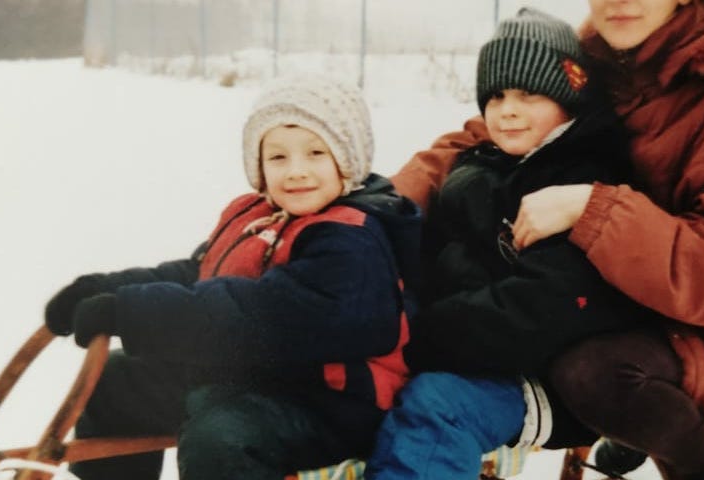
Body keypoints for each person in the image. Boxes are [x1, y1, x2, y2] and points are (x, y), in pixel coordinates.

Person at [390, 1, 704, 479]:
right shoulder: (599, 58)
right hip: (624, 282)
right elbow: (477, 140)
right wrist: (377, 209)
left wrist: (594, 210)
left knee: (589, 374)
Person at [43, 76, 422, 480]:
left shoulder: (352, 239)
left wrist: (133, 312)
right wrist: (106, 290)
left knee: (222, 436)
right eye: (278, 158)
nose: (296, 172)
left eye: (315, 153)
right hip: (256, 374)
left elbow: (263, 316)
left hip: (333, 402)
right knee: (114, 381)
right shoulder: (258, 213)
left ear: (349, 159)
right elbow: (202, 274)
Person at [365, 8, 653, 480]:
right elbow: (428, 254)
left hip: (545, 378)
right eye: (496, 95)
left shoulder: (581, 180)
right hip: (463, 350)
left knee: (436, 408)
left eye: (528, 93)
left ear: (570, 97)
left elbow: (544, 307)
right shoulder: (483, 166)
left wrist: (421, 338)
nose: (508, 109)